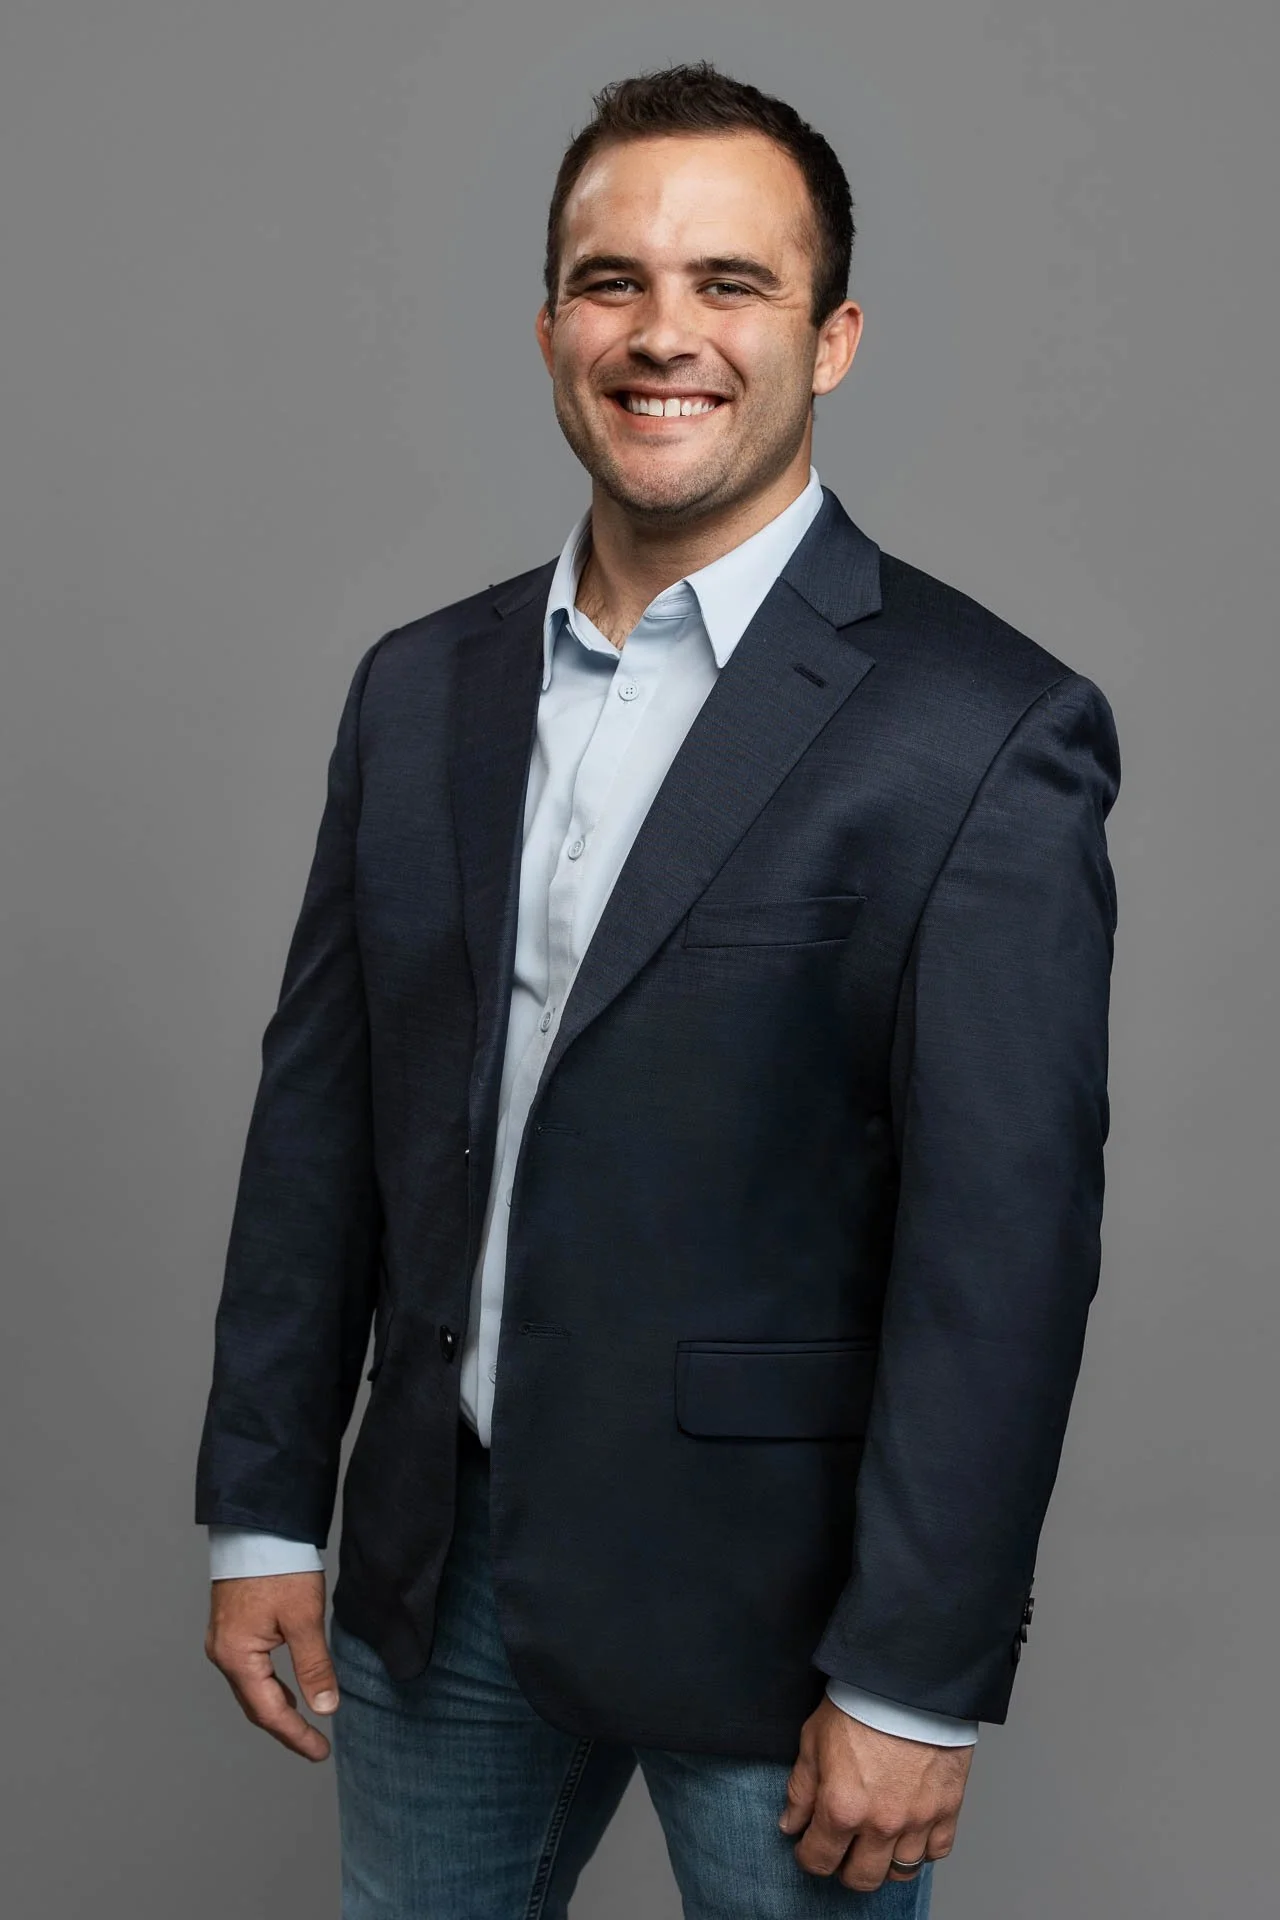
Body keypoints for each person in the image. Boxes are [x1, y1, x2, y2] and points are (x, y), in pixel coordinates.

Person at [196, 60, 1120, 1919]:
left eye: (730, 284)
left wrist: (914, 1675)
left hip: (777, 1622)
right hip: (429, 1572)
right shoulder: (417, 689)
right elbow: (320, 1125)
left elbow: (999, 1245)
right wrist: (267, 1508)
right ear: (551, 326)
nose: (662, 334)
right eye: (614, 281)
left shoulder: (981, 728)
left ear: (830, 337)